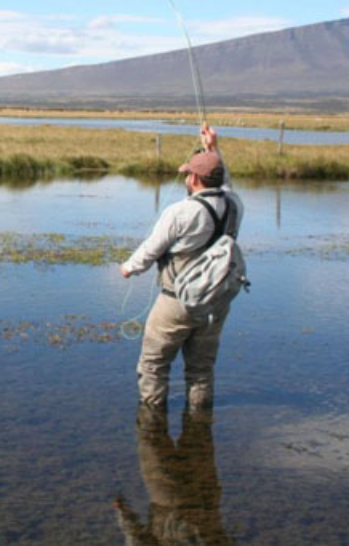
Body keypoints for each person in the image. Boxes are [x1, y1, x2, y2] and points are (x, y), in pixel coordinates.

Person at [119, 122, 243, 410]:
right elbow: (225, 183)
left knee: (153, 365)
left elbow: (152, 249)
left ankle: (152, 423)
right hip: (216, 301)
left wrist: (128, 268)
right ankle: (200, 424)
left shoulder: (180, 211)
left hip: (177, 302)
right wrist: (213, 149)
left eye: (188, 173)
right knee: (201, 369)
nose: (186, 178)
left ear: (195, 179)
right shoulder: (235, 204)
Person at [112, 406, 232, 546]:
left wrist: (124, 515)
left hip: (199, 501)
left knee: (196, 432)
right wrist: (122, 512)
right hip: (175, 502)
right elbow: (136, 538)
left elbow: (136, 538)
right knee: (152, 436)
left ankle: (186, 408)